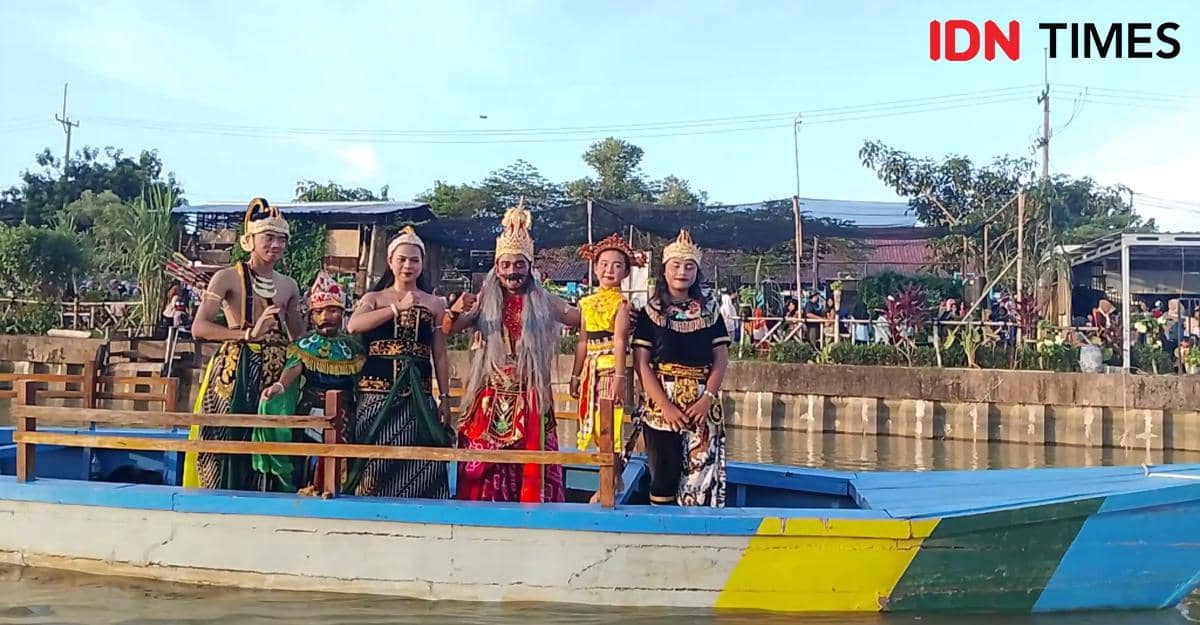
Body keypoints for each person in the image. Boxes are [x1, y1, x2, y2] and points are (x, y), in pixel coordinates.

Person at [443, 202, 581, 503]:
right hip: (489, 397)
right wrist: (454, 312)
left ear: (530, 267)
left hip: (531, 397)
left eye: (519, 264)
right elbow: (452, 328)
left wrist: (614, 310)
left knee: (532, 469)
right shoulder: (484, 299)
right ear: (497, 267)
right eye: (505, 265)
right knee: (484, 474)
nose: (512, 272)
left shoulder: (545, 300)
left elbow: (579, 318)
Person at [185, 198, 303, 491]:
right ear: (249, 240)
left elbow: (299, 340)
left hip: (274, 376)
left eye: (281, 240)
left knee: (268, 444)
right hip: (234, 371)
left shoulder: (288, 285)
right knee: (224, 440)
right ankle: (216, 501)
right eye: (269, 238)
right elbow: (200, 328)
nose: (275, 245)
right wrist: (248, 335)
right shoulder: (227, 278)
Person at [341, 226, 454, 499]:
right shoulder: (374, 299)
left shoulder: (435, 303)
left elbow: (439, 352)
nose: (408, 265)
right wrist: (396, 308)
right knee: (375, 464)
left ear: (422, 264)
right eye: (402, 259)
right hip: (377, 394)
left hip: (418, 396)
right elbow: (354, 326)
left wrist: (445, 396)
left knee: (423, 463)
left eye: (414, 260)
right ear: (390, 262)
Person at [630, 229, 730, 507]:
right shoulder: (650, 311)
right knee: (663, 475)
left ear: (697, 272)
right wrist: (665, 406)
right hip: (662, 400)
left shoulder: (710, 310)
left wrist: (706, 399)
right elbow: (641, 363)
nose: (682, 272)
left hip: (702, 400)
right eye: (676, 265)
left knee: (701, 478)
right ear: (664, 270)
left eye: (689, 266)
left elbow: (720, 358)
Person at [258, 272, 365, 493]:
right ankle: (304, 488)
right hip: (310, 407)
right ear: (312, 316)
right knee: (306, 454)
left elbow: (359, 380)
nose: (326, 316)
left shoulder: (354, 347)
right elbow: (294, 367)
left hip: (345, 410)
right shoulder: (304, 344)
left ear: (343, 313)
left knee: (342, 456)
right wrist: (280, 386)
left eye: (333, 310)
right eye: (319, 312)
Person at [569, 233, 643, 503]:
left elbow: (621, 340)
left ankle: (607, 484)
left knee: (607, 428)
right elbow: (582, 342)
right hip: (590, 369)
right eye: (604, 264)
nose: (609, 270)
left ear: (625, 272)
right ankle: (613, 478)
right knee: (596, 428)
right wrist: (575, 374)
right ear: (595, 267)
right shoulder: (586, 303)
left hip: (611, 369)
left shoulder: (621, 303)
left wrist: (621, 378)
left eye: (617, 265)